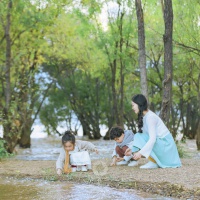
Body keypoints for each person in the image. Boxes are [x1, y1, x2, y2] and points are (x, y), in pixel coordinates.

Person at [125, 94, 182, 169]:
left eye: (133, 105)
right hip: (163, 147)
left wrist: (140, 153)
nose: (132, 108)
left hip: (166, 147)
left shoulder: (150, 117)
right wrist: (132, 148)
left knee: (138, 136)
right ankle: (136, 159)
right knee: (139, 135)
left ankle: (153, 162)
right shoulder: (145, 116)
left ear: (139, 104)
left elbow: (152, 139)